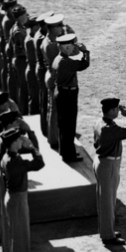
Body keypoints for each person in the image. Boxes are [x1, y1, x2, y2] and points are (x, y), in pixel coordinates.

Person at [0, 126, 45, 252]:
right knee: (19, 237)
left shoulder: (7, 156)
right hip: (17, 199)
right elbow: (39, 164)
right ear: (13, 143)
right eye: (19, 139)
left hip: (15, 197)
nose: (21, 140)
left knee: (21, 235)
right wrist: (32, 148)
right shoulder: (15, 161)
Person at [93, 98, 126, 246]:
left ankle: (107, 230)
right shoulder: (109, 129)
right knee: (107, 202)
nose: (119, 111)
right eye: (117, 109)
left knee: (106, 200)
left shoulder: (100, 123)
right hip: (108, 165)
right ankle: (107, 236)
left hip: (102, 162)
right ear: (112, 110)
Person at [51, 32, 90, 163]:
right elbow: (84, 64)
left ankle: (65, 152)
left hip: (62, 93)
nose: (74, 48)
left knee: (64, 126)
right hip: (68, 95)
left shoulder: (58, 59)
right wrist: (85, 52)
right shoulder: (65, 62)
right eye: (71, 46)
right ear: (65, 48)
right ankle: (69, 155)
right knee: (69, 126)